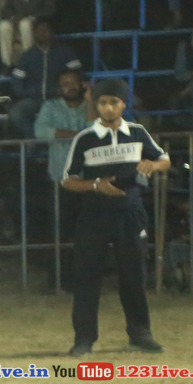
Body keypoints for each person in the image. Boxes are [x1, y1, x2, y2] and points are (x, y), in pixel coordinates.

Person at [60, 78, 169, 355]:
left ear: (123, 104)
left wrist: (153, 164)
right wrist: (97, 186)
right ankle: (84, 339)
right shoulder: (85, 138)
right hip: (94, 213)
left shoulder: (138, 133)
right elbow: (68, 180)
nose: (108, 108)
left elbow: (164, 159)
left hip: (130, 212)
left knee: (134, 274)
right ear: (96, 105)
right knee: (87, 276)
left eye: (114, 102)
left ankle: (140, 333)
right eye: (103, 102)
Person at [10, 19, 82, 139]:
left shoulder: (65, 52)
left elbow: (77, 74)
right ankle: (36, 140)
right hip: (34, 100)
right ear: (35, 34)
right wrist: (28, 93)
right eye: (41, 31)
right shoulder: (27, 55)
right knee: (16, 113)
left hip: (58, 99)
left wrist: (63, 91)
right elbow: (17, 81)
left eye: (48, 30)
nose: (46, 34)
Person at [34, 69, 96, 184]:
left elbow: (95, 132)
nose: (71, 87)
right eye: (65, 84)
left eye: (74, 82)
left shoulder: (92, 106)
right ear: (59, 89)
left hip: (89, 176)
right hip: (60, 175)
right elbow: (40, 131)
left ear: (82, 84)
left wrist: (91, 100)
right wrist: (78, 136)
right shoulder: (50, 106)